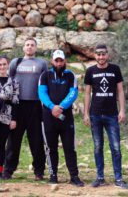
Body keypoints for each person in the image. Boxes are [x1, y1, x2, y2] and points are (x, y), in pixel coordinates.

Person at [83, 44, 128, 189]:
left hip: (112, 114)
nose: (101, 57)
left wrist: (122, 110)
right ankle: (100, 177)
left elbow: (120, 91)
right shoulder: (90, 70)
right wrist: (85, 113)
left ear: (107, 55)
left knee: (116, 147)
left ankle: (118, 179)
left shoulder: (115, 69)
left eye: (103, 54)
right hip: (95, 114)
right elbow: (86, 93)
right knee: (98, 146)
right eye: (98, 54)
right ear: (94, 55)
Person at [38, 50, 84, 187]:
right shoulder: (45, 75)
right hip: (48, 117)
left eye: (61, 60)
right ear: (52, 61)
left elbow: (73, 93)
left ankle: (74, 176)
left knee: (69, 147)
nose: (59, 63)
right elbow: (42, 93)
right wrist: (52, 107)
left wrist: (61, 107)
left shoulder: (70, 76)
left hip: (66, 118)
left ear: (64, 61)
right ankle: (53, 175)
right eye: (56, 60)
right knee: (51, 148)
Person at [3, 37, 47, 181]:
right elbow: (8, 81)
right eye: (27, 45)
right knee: (14, 139)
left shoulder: (42, 63)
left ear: (36, 48)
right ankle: (8, 170)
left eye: (32, 45)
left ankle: (39, 172)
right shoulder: (16, 62)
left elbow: (46, 82)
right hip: (17, 105)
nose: (29, 47)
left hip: (35, 105)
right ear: (23, 48)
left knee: (36, 140)